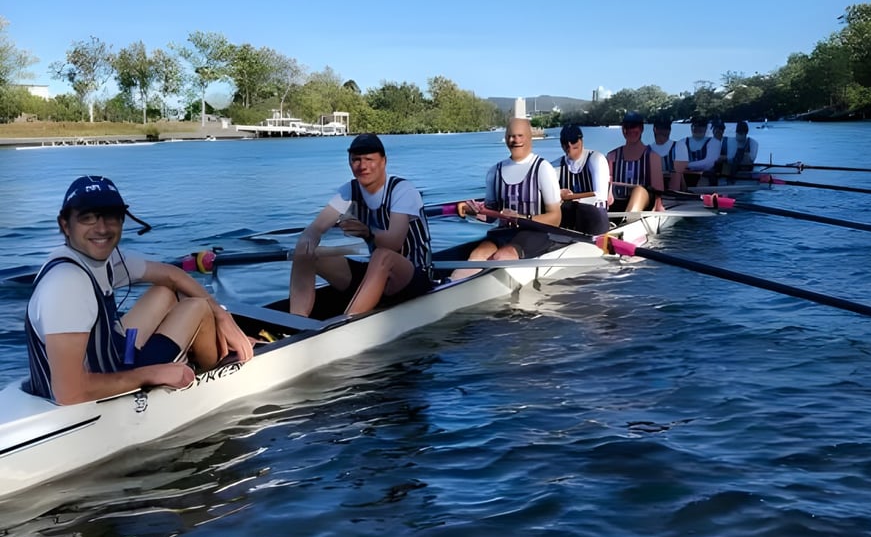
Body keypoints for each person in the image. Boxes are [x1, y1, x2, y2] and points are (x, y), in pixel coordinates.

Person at [26, 176, 254, 405]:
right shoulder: (67, 284)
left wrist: (223, 317)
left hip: (108, 357)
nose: (102, 228)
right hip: (92, 389)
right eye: (88, 218)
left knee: (165, 290)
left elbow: (171, 274)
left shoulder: (95, 259)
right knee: (199, 307)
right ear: (65, 225)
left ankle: (218, 339)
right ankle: (218, 365)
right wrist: (155, 373)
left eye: (111, 217)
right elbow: (70, 394)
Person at [289, 133, 433, 317]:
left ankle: (346, 325)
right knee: (306, 252)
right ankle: (297, 322)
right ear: (349, 163)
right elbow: (317, 227)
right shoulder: (349, 190)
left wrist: (368, 233)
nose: (362, 166)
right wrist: (306, 240)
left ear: (383, 161)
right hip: (377, 272)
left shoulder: (402, 190)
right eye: (356, 160)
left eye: (369, 159)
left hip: (414, 275)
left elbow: (394, 242)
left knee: (382, 255)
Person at [451, 117, 562, 280]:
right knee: (476, 256)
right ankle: (451, 285)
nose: (515, 140)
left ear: (530, 137)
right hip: (503, 234)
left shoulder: (543, 169)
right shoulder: (494, 172)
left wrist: (523, 218)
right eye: (511, 136)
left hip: (535, 234)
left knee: (501, 256)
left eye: (520, 136)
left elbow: (556, 217)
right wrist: (472, 211)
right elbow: (490, 216)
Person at [551, 124, 611, 235]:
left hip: (595, 217)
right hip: (569, 219)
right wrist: (557, 193)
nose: (569, 144)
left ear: (581, 140)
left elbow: (599, 196)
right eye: (565, 141)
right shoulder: (556, 165)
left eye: (573, 140)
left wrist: (567, 197)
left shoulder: (596, 159)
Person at [606, 111, 665, 213]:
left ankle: (629, 218)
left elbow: (657, 190)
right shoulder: (612, 155)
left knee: (638, 190)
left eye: (634, 126)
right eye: (627, 127)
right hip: (617, 201)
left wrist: (658, 207)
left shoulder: (653, 156)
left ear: (641, 129)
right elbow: (608, 182)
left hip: (644, 201)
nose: (630, 130)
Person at [672, 115, 720, 188]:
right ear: (691, 127)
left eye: (701, 126)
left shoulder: (714, 142)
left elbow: (709, 163)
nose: (698, 128)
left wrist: (687, 165)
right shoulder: (682, 142)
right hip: (685, 177)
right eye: (695, 126)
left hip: (706, 177)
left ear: (706, 128)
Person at [648, 116, 677, 189]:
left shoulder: (678, 147)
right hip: (652, 187)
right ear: (655, 130)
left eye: (667, 128)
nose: (664, 131)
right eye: (661, 128)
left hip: (674, 189)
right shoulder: (647, 150)